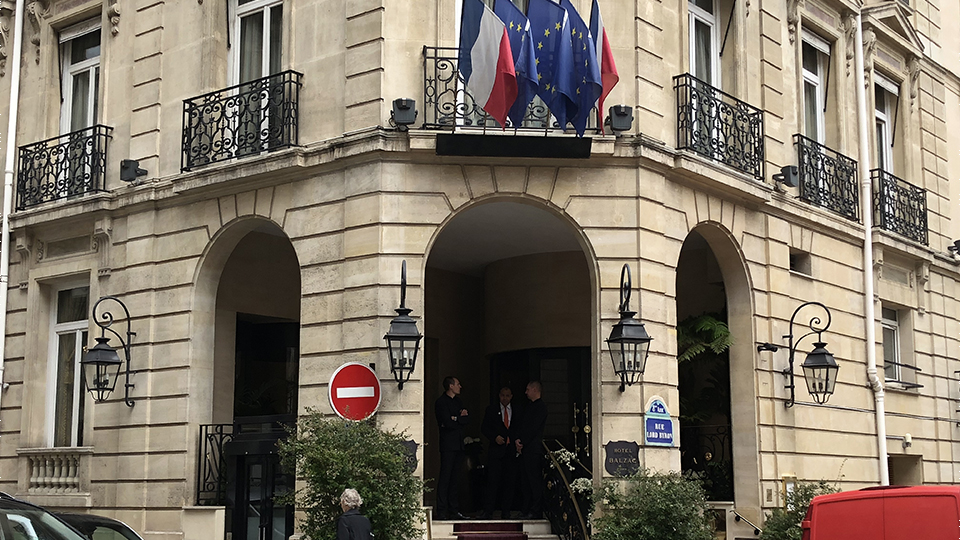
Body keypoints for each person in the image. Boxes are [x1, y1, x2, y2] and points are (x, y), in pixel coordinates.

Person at [435, 376, 469, 520]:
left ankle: (454, 510)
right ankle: (442, 510)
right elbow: (446, 423)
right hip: (448, 445)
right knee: (445, 477)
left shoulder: (458, 401)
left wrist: (456, 418)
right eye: (458, 384)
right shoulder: (441, 402)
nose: (460, 386)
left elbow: (466, 419)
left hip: (459, 445)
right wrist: (457, 419)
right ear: (450, 386)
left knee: (455, 478)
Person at [480, 386, 517, 519]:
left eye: (507, 396)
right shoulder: (491, 410)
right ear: (499, 396)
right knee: (492, 481)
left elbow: (519, 428)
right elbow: (484, 428)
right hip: (496, 452)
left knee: (509, 482)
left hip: (510, 452)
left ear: (511, 396)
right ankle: (488, 511)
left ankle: (506, 511)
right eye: (502, 395)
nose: (505, 398)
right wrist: (494, 437)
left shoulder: (517, 410)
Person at [514, 380, 547, 519]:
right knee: (525, 481)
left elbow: (533, 429)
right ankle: (526, 508)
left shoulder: (541, 408)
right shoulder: (527, 407)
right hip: (524, 449)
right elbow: (521, 426)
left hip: (533, 449)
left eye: (528, 389)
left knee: (534, 480)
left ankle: (536, 510)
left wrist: (522, 442)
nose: (526, 392)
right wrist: (517, 440)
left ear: (535, 390)